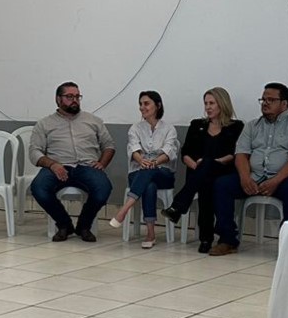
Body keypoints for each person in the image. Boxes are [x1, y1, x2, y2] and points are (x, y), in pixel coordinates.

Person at [210, 82, 288, 256]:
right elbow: (241, 154)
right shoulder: (252, 126)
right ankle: (228, 240)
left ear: (284, 104)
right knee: (222, 185)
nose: (265, 103)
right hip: (254, 177)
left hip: (282, 178)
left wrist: (275, 181)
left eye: (271, 100)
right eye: (263, 99)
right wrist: (244, 177)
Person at [29, 82, 116, 243]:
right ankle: (64, 225)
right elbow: (34, 152)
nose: (75, 100)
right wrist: (52, 164)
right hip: (57, 167)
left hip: (87, 167)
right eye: (69, 97)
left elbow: (109, 145)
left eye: (77, 96)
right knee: (38, 188)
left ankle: (84, 226)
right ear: (58, 99)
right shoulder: (44, 124)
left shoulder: (93, 121)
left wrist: (102, 163)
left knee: (103, 188)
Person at [162, 88, 244, 253]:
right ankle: (206, 237)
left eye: (212, 103)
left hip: (223, 170)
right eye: (206, 103)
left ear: (222, 104)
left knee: (207, 169)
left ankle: (197, 228)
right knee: (206, 182)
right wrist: (197, 166)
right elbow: (185, 153)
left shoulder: (236, 127)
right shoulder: (197, 125)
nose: (208, 107)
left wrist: (210, 163)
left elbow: (234, 154)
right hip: (198, 171)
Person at [108, 91, 179, 249]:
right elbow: (133, 149)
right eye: (140, 104)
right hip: (138, 172)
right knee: (149, 185)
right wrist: (142, 161)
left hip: (163, 173)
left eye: (146, 104)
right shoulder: (135, 128)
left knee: (149, 172)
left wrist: (154, 162)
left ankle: (124, 209)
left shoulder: (169, 129)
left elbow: (169, 152)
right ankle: (150, 234)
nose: (142, 107)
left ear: (158, 105)